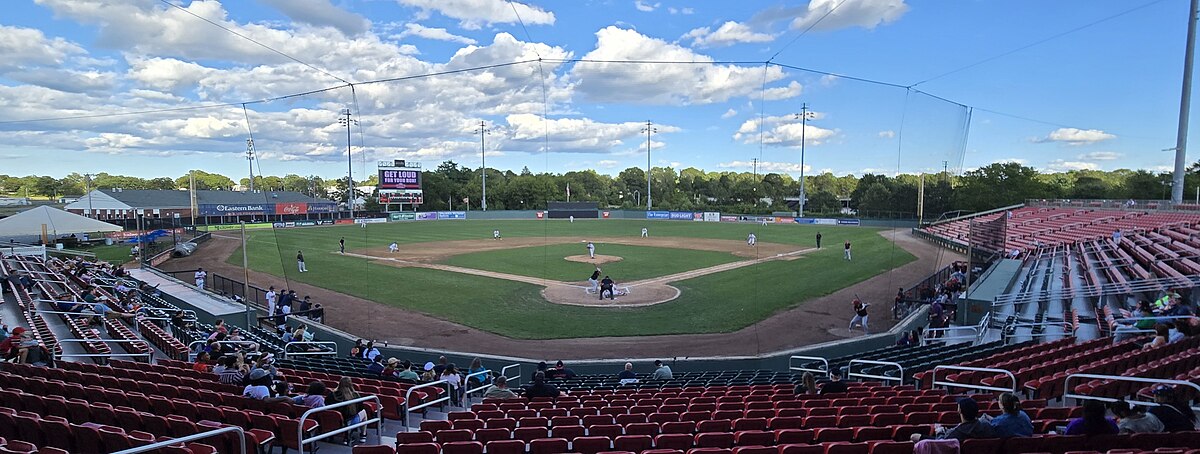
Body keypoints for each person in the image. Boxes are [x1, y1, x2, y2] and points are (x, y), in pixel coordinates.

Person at [926, 398, 996, 441]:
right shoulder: (987, 426)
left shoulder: (956, 433)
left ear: (959, 411)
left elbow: (941, 443)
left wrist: (939, 431)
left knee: (917, 437)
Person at [327, 376, 367, 445]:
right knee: (364, 412)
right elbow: (361, 408)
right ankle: (363, 435)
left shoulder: (331, 394)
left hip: (334, 421)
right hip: (348, 422)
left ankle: (347, 434)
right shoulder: (355, 395)